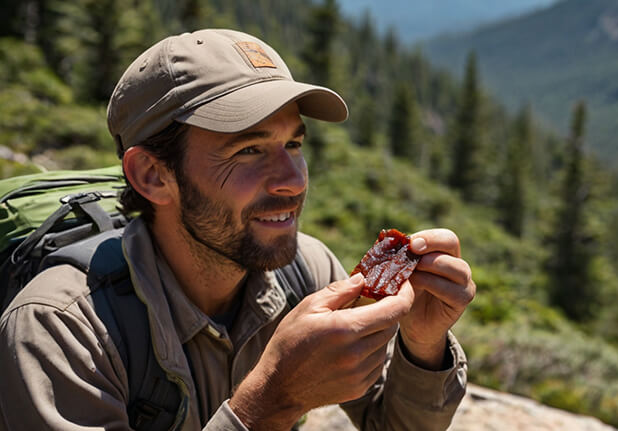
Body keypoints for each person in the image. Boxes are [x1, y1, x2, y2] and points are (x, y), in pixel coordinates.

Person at [0, 29, 475, 430]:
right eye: (248, 150)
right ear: (152, 175)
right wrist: (273, 400)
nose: (293, 181)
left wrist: (422, 345)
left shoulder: (307, 271)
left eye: (293, 144)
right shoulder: (61, 329)